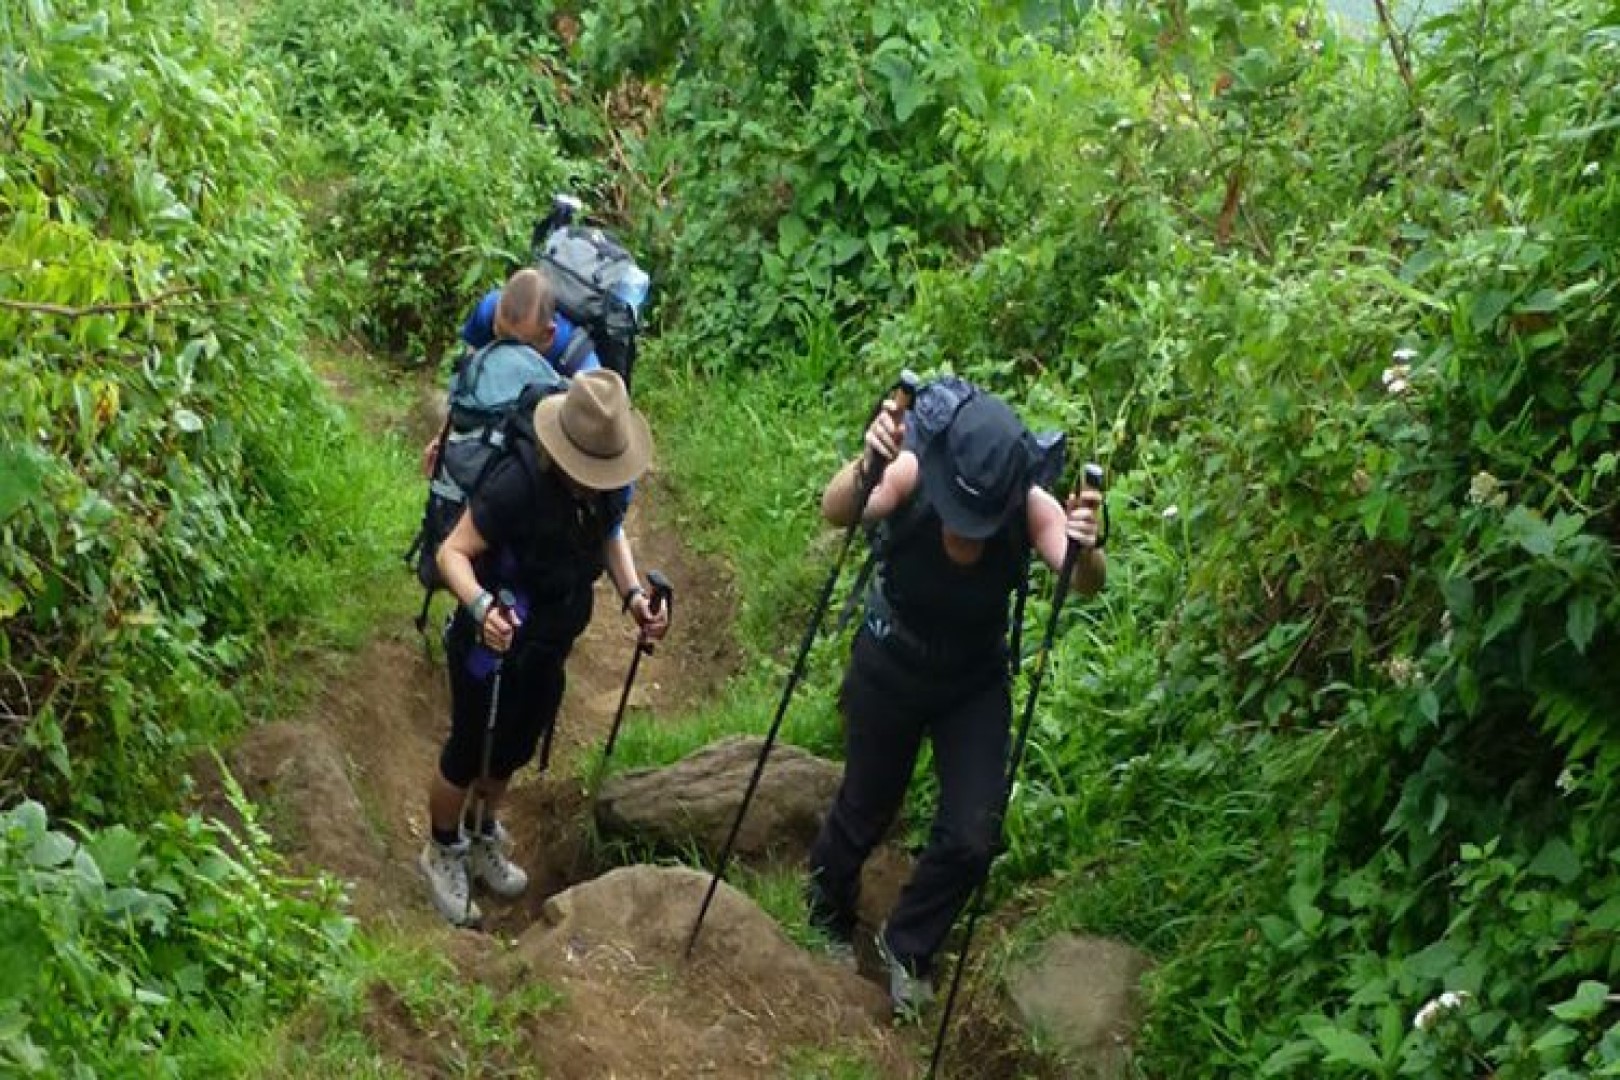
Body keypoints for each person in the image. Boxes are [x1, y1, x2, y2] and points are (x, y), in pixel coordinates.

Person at [805, 387, 1106, 1016]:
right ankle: (827, 909)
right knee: (866, 806)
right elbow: (839, 511)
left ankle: (907, 945)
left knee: (974, 834)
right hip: (890, 659)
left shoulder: (1028, 503)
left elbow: (1079, 580)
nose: (965, 534)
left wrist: (1087, 544)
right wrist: (866, 466)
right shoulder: (914, 468)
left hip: (971, 680)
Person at [419, 369, 668, 926]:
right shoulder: (516, 485)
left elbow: (610, 535)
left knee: (511, 748)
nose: (601, 480)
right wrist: (482, 608)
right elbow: (452, 553)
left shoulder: (601, 492)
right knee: (466, 749)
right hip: (488, 643)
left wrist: (634, 596)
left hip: (547, 646)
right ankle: (441, 849)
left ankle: (482, 832)